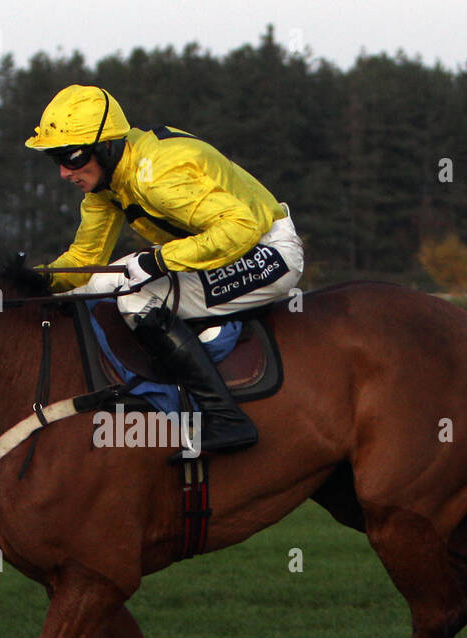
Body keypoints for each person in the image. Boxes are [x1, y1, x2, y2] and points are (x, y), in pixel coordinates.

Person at [25, 85, 304, 455]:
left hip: (267, 252)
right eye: (55, 158)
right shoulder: (107, 185)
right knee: (101, 282)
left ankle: (226, 419)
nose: (63, 171)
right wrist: (33, 280)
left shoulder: (155, 176)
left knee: (136, 292)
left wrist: (157, 261)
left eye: (71, 157)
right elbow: (82, 260)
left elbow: (240, 227)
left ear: (107, 146)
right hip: (229, 250)